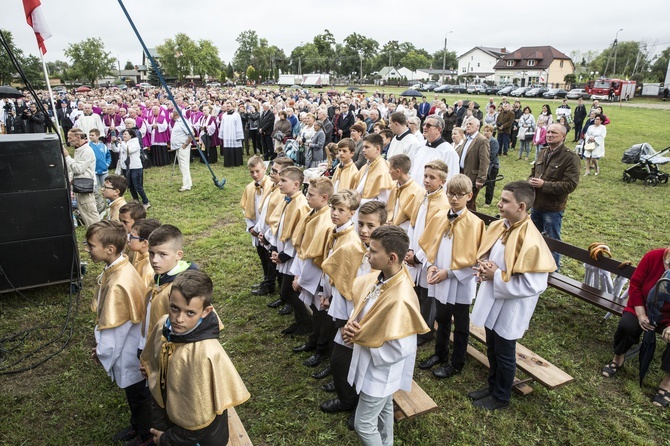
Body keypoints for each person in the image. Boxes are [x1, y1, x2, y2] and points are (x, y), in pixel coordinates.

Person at [469, 181, 556, 410]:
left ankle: (501, 397)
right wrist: (483, 264)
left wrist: (497, 275)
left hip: (511, 306)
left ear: (521, 206)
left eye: (505, 201)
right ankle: (491, 386)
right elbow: (490, 252)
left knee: (505, 352)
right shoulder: (501, 226)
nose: (499, 204)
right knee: (492, 346)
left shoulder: (531, 240)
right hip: (493, 297)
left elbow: (534, 284)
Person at [140, 270, 250, 445]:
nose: (178, 319)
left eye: (190, 313)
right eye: (174, 308)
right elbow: (156, 359)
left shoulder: (205, 354)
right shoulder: (163, 324)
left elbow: (199, 428)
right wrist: (155, 369)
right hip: (167, 415)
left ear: (206, 311)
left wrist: (166, 439)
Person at [344, 225, 429, 445]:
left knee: (363, 424)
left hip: (380, 371)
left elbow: (402, 347)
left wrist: (362, 336)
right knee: (385, 410)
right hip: (372, 364)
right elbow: (366, 309)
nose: (367, 254)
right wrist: (353, 326)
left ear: (391, 257)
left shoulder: (401, 298)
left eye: (373, 251)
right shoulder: (382, 278)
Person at [85, 220, 150, 445]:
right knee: (134, 396)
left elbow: (116, 332)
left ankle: (145, 436)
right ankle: (136, 426)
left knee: (138, 396)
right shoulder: (119, 265)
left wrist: (101, 352)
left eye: (91, 246)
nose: (88, 249)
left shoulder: (118, 283)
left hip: (129, 351)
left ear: (109, 249)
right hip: (129, 347)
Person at [319, 199, 383, 428]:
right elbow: (340, 283)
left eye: (371, 226)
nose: (364, 231)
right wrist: (341, 319)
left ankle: (359, 407)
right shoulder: (352, 248)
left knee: (364, 369)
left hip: (367, 325)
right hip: (347, 317)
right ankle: (347, 398)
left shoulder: (385, 259)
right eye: (361, 224)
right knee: (339, 362)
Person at [417, 174, 484, 378]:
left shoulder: (475, 223)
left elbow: (476, 258)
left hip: (459, 281)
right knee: (442, 316)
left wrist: (451, 273)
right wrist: (429, 266)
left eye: (459, 195)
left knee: (461, 323)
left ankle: (457, 362)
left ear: (469, 195)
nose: (454, 199)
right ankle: (440, 353)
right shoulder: (439, 216)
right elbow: (428, 245)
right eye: (451, 194)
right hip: (439, 276)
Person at [601, 248, 670, 408]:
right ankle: (618, 358)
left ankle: (667, 383)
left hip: (668, 317)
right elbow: (636, 284)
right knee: (627, 325)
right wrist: (640, 313)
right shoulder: (653, 256)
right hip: (643, 306)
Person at [290, 177, 335, 369]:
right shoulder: (314, 213)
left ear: (325, 198)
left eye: (310, 194)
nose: (307, 197)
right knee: (317, 312)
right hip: (307, 271)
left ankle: (321, 348)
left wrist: (302, 278)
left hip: (317, 275)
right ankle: (314, 340)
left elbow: (316, 256)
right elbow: (304, 247)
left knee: (322, 314)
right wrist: (297, 273)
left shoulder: (325, 221)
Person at [405, 160, 450, 346]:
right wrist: (409, 249)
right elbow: (413, 224)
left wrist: (418, 257)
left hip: (428, 256)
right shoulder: (423, 196)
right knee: (415, 291)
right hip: (414, 250)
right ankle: (414, 323)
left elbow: (434, 237)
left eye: (432, 177)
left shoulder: (442, 204)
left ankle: (426, 330)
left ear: (442, 181)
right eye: (425, 176)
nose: (427, 180)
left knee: (427, 295)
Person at [529, 123, 580, 268]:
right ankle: (532, 265)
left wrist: (544, 185)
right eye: (549, 132)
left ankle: (553, 271)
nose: (550, 135)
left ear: (563, 137)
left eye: (554, 133)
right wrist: (530, 181)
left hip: (553, 208)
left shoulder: (570, 158)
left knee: (553, 242)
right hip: (536, 204)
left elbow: (570, 185)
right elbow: (533, 173)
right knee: (533, 238)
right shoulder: (542, 152)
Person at [266, 166, 311, 333]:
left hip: (292, 256)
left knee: (288, 291)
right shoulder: (287, 199)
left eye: (284, 181)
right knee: (286, 291)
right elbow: (281, 224)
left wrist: (284, 255)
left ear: (296, 184)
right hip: (282, 251)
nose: (280, 183)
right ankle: (300, 321)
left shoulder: (301, 204)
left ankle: (306, 321)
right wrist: (274, 247)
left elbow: (299, 234)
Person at [140, 224, 198, 351]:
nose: (154, 260)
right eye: (151, 253)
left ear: (178, 255)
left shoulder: (186, 288)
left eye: (162, 254)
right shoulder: (159, 276)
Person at [256, 157, 294, 298]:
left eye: (275, 171)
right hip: (266, 233)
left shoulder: (282, 193)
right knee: (270, 263)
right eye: (271, 169)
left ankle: (284, 297)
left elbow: (277, 218)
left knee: (279, 270)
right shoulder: (274, 187)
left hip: (273, 236)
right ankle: (275, 289)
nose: (271, 173)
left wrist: (268, 237)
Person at [241, 156, 274, 295]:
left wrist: (261, 229)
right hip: (255, 228)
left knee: (269, 257)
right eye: (252, 172)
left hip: (267, 229)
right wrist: (250, 227)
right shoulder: (249, 187)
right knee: (261, 255)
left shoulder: (272, 186)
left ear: (264, 169)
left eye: (257, 171)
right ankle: (266, 279)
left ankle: (270, 284)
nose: (255, 175)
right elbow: (245, 209)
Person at [63, 128, 101, 228]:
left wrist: (67, 157)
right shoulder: (79, 150)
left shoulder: (87, 151)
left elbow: (78, 168)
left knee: (90, 214)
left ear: (78, 137)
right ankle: (92, 236)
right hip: (79, 186)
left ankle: (98, 236)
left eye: (70, 138)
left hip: (85, 187)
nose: (68, 140)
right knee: (84, 213)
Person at [411, 114, 459, 185]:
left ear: (439, 129)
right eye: (424, 124)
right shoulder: (420, 145)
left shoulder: (448, 152)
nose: (424, 127)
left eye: (428, 125)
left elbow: (450, 179)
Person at [455, 118, 490, 211]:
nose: (468, 126)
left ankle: (472, 222)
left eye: (470, 124)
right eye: (467, 124)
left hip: (473, 177)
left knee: (469, 202)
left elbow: (484, 161)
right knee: (462, 201)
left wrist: (481, 179)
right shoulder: (466, 139)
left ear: (477, 127)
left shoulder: (482, 140)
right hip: (462, 173)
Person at [354, 133, 394, 212]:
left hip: (372, 213)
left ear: (377, 149)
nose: (363, 150)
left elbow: (383, 201)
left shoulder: (383, 170)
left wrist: (360, 201)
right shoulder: (366, 166)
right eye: (363, 147)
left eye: (367, 147)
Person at [386, 154, 422, 232]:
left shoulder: (416, 192)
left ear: (398, 171)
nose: (389, 172)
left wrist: (396, 226)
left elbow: (413, 220)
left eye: (390, 169)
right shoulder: (395, 186)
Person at [118, 128, 151, 210]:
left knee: (138, 186)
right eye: (123, 134)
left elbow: (130, 150)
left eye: (126, 134)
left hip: (135, 167)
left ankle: (146, 202)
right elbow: (116, 150)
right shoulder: (123, 143)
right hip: (126, 167)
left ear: (131, 135)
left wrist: (122, 144)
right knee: (130, 186)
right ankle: (135, 201)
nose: (124, 136)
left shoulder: (135, 142)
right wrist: (113, 144)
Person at [128, 218, 161, 291]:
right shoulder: (140, 255)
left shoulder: (148, 270)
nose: (128, 239)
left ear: (145, 243)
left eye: (131, 237)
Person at [170, 110, 194, 192]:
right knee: (182, 165)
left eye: (172, 113)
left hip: (182, 146)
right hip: (178, 147)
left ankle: (186, 185)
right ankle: (188, 183)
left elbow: (191, 133)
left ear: (176, 114)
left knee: (184, 165)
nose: (171, 115)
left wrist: (186, 144)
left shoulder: (183, 121)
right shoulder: (177, 122)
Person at [219, 101, 245, 167]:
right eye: (226, 106)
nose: (227, 108)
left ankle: (236, 162)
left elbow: (239, 125)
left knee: (235, 148)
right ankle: (228, 162)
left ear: (232, 107)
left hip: (234, 134)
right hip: (227, 134)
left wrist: (239, 135)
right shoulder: (224, 115)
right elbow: (222, 125)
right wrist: (221, 134)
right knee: (227, 148)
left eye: (229, 106)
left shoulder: (236, 115)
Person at [482, 124, 500, 208]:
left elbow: (492, 155)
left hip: (492, 167)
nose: (485, 133)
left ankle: (488, 202)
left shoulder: (494, 142)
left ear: (492, 132)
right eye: (484, 131)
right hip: (484, 165)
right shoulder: (482, 140)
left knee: (490, 184)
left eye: (488, 131)